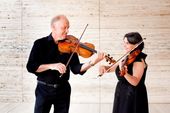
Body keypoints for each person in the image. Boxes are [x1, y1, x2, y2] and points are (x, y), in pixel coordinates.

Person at [26, 15, 104, 113]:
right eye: (64, 28)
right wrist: (52, 66)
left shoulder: (71, 44)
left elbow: (76, 69)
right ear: (53, 28)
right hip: (43, 90)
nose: (67, 31)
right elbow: (31, 67)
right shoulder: (40, 44)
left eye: (68, 27)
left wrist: (93, 62)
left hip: (63, 90)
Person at [99, 32, 149, 113]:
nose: (124, 45)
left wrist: (123, 71)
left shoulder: (139, 61)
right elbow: (114, 68)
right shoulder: (127, 56)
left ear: (136, 45)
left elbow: (135, 81)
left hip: (133, 95)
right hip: (122, 92)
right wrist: (105, 67)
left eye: (127, 43)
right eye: (124, 42)